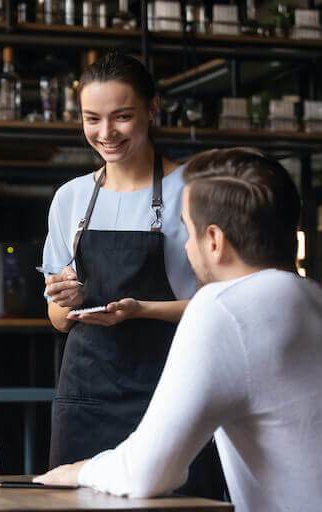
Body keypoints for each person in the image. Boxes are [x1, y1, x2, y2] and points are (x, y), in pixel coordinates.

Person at [35, 147, 322, 511]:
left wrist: (81, 471)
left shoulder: (221, 308)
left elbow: (146, 474)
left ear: (215, 241)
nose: (187, 246)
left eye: (188, 231)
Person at [41, 51, 224, 497]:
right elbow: (57, 321)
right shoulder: (71, 198)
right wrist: (65, 302)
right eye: (92, 119)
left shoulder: (192, 191)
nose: (106, 134)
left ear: (152, 108)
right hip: (85, 397)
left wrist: (142, 310)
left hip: (170, 392)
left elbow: (223, 305)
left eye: (122, 116)